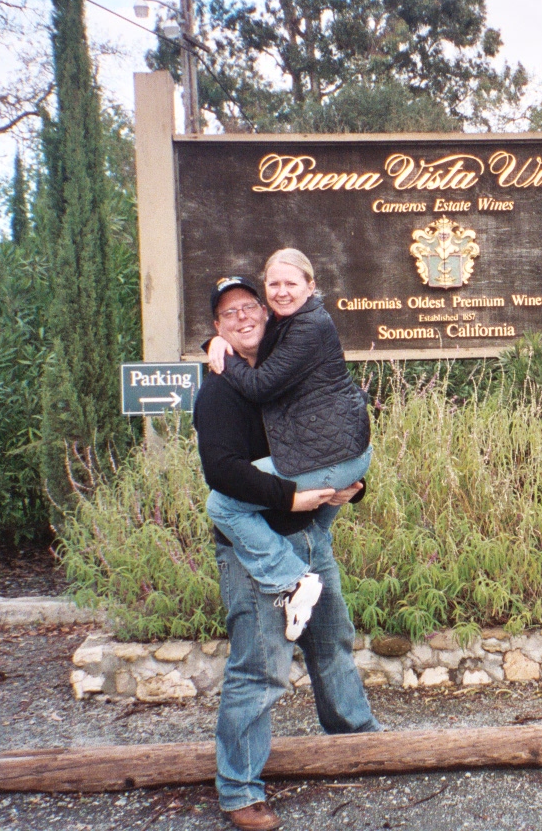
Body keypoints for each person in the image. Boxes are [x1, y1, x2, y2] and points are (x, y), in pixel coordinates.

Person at [194, 276, 382, 831]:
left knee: (332, 647)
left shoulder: (285, 367)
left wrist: (351, 487)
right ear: (218, 328)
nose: (243, 317)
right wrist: (290, 497)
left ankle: (358, 745)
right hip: (257, 554)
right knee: (261, 671)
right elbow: (222, 473)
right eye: (229, 314)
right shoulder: (220, 390)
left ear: (265, 312)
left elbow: (331, 436)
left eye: (249, 306)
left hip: (310, 538)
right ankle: (239, 790)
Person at [204, 249, 373, 641]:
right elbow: (222, 467)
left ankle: (293, 579)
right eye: (274, 284)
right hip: (337, 461)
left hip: (331, 464)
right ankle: (305, 570)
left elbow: (262, 387)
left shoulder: (306, 327)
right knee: (326, 645)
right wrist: (216, 342)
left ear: (310, 287)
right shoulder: (284, 328)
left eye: (291, 283)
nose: (281, 291)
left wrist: (219, 352)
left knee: (221, 506)